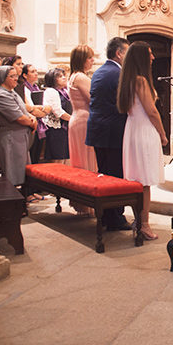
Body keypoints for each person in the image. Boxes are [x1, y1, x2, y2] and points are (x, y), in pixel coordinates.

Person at [117, 41, 168, 241]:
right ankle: (144, 224)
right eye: (149, 54)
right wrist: (163, 134)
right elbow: (152, 111)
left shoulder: (127, 79)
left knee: (138, 179)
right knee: (144, 182)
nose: (153, 57)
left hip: (132, 129)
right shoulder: (141, 81)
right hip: (144, 129)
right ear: (141, 58)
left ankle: (139, 221)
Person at [87, 37, 132, 231]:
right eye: (127, 52)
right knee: (115, 176)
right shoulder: (118, 74)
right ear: (119, 53)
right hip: (113, 130)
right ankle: (115, 218)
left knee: (104, 173)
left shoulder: (99, 72)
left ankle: (105, 214)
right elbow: (125, 102)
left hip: (98, 130)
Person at [0, 65, 37, 187]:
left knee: (22, 170)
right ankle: (14, 201)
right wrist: (32, 122)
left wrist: (31, 117)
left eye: (16, 75)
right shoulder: (1, 95)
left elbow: (24, 112)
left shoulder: (11, 92)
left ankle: (25, 198)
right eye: (12, 76)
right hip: (11, 138)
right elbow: (19, 118)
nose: (16, 78)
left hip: (20, 136)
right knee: (13, 172)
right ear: (2, 78)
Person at [68, 45, 97, 217]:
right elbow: (93, 99)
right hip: (84, 120)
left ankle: (82, 202)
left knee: (80, 160)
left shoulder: (73, 76)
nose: (92, 60)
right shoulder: (81, 77)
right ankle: (88, 203)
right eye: (90, 58)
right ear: (81, 60)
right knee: (86, 161)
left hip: (77, 119)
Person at [42, 68, 71, 162]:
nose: (63, 77)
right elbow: (58, 112)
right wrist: (74, 119)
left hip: (65, 127)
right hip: (56, 129)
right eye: (59, 76)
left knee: (66, 157)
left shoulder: (64, 91)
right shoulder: (51, 91)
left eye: (63, 75)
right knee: (58, 158)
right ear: (52, 79)